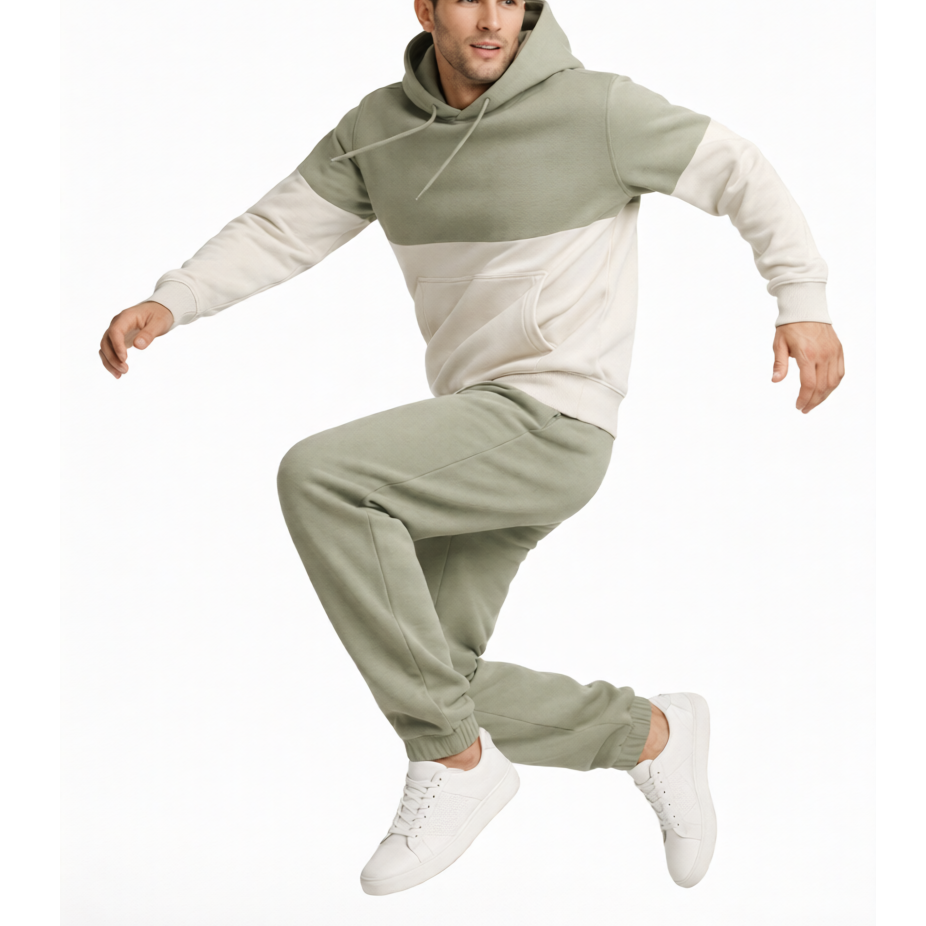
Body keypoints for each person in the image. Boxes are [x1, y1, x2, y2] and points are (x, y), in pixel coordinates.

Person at [98, 0, 844, 897]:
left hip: (557, 418)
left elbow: (738, 170)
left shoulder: (596, 111)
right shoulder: (378, 132)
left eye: (510, 0)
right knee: (430, 675)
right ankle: (651, 735)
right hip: (474, 427)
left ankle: (455, 763)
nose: (492, 20)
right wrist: (174, 298)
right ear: (424, 6)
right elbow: (279, 227)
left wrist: (802, 301)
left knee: (324, 479)